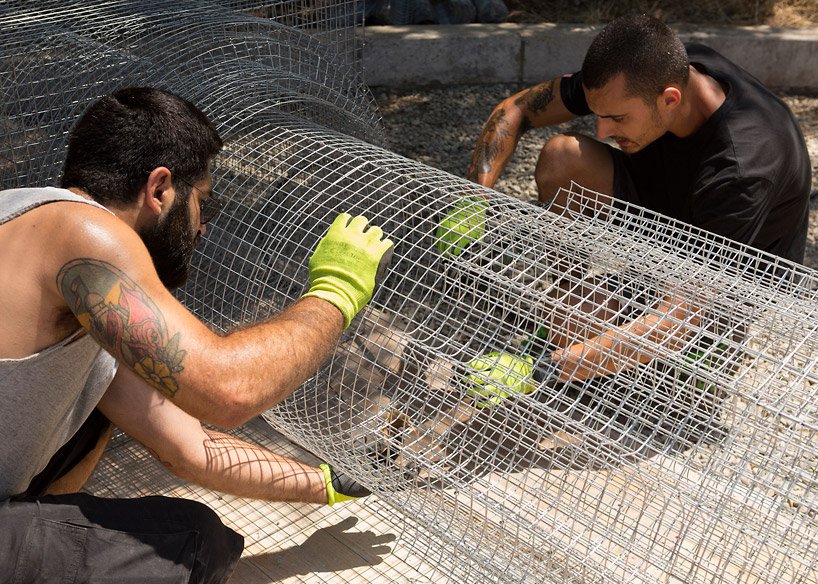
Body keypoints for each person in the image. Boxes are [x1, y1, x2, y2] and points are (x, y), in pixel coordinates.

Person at [0, 87, 393, 583]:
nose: (203, 225)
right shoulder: (83, 231)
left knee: (101, 426)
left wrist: (326, 483)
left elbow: (188, 448)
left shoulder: (24, 219)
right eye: (202, 201)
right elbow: (230, 392)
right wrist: (337, 291)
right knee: (188, 546)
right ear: (160, 189)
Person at [467, 13, 812, 265]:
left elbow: (693, 307)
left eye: (617, 118)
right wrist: (471, 202)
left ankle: (578, 326)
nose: (602, 132)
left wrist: (571, 358)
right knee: (563, 157)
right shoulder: (647, 70)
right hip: (665, 220)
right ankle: (567, 296)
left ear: (669, 99)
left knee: (583, 329)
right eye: (598, 114)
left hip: (726, 281)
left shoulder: (742, 167)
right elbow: (516, 110)